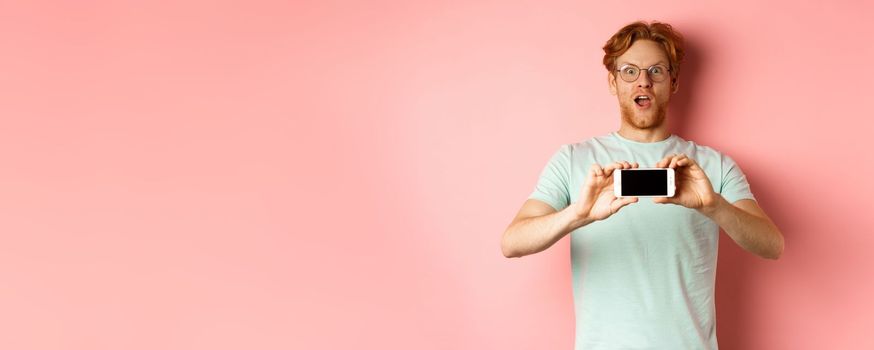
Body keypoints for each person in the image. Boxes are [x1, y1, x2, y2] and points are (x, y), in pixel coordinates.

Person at [500, 21, 784, 349]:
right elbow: (512, 243)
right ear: (613, 81)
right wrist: (577, 215)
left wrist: (714, 206)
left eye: (657, 71)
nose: (644, 82)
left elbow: (772, 245)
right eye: (630, 71)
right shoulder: (572, 160)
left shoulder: (713, 165)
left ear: (674, 81)